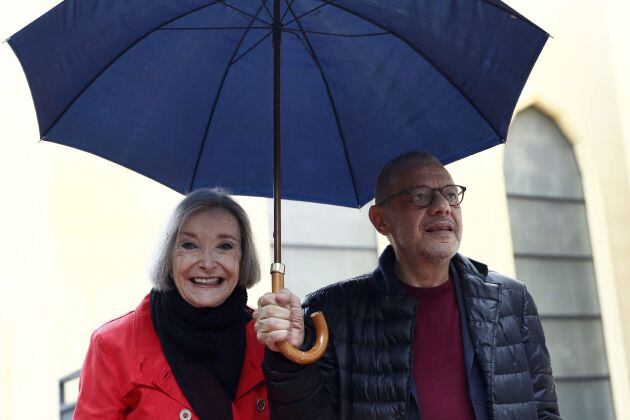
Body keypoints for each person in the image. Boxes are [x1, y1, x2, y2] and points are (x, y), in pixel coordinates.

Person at [253, 151, 561, 420]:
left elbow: (543, 410)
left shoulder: (510, 301)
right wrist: (289, 355)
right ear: (381, 220)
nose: (442, 206)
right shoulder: (333, 312)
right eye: (420, 195)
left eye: (451, 194)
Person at [74, 189, 269, 420]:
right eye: (189, 245)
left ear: (243, 257)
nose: (207, 263)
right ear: (168, 256)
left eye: (225, 246)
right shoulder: (112, 345)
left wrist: (290, 358)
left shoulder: (268, 339)